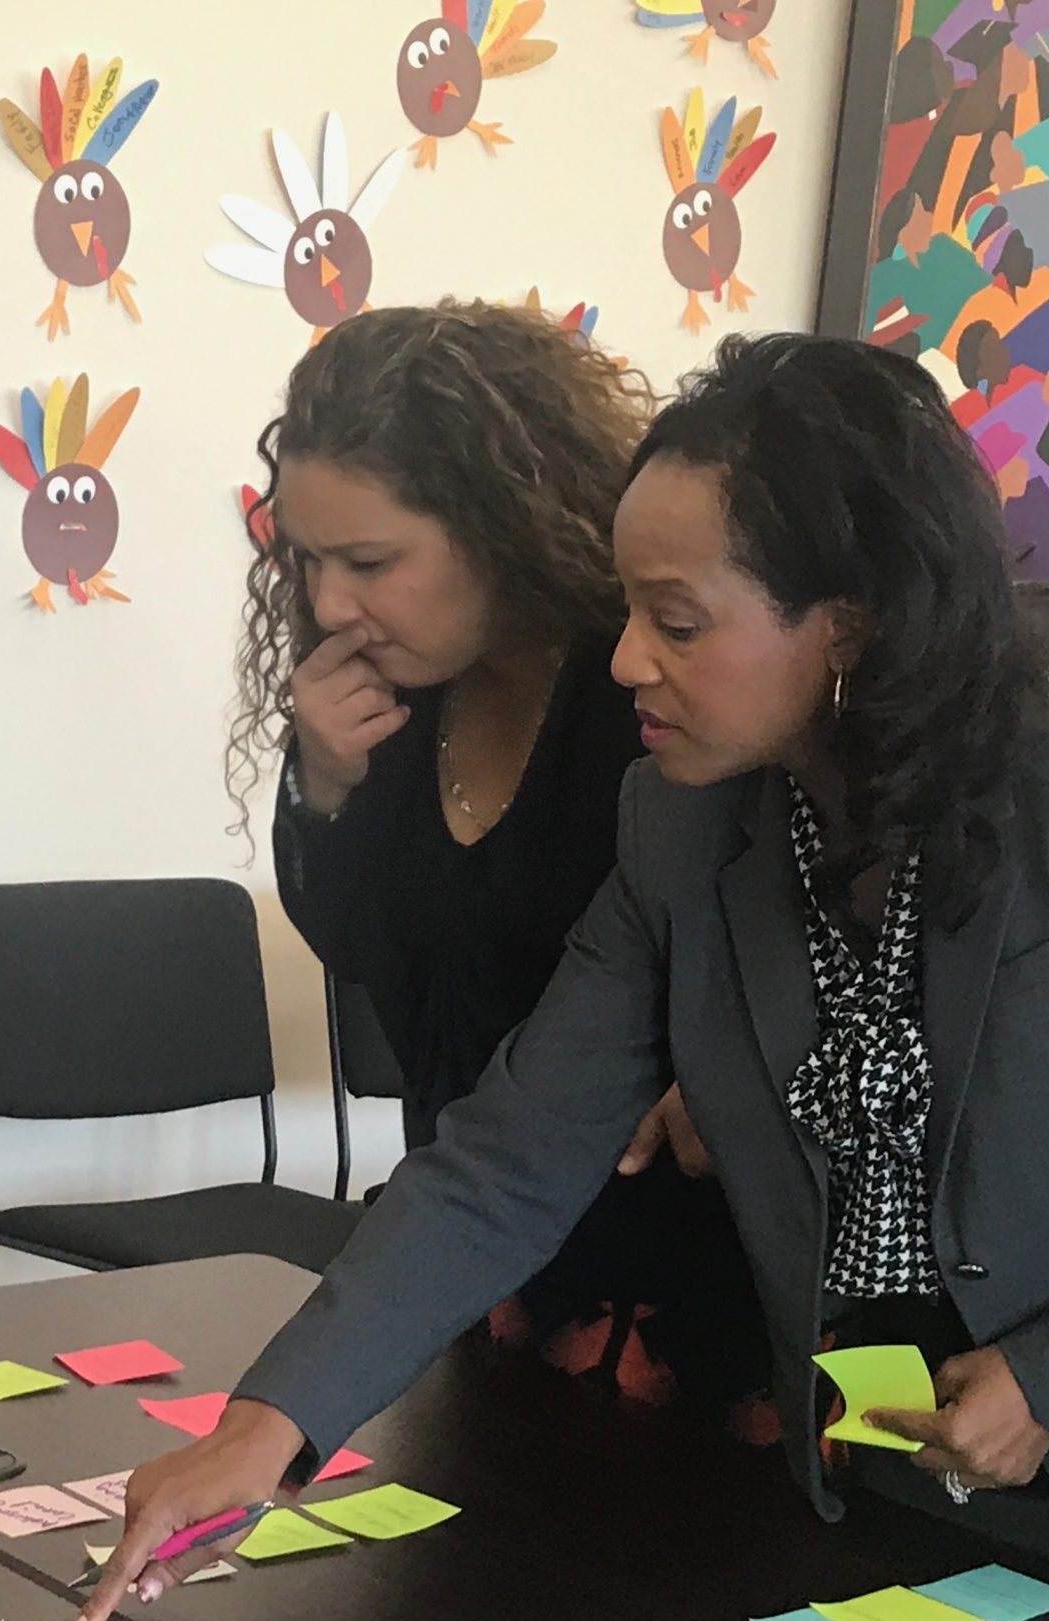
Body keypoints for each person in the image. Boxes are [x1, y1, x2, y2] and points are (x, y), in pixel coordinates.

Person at [82, 332, 1049, 1621]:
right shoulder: (680, 830)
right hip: (894, 1451)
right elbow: (506, 1160)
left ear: (852, 625)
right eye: (626, 612)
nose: (623, 662)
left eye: (675, 622)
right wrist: (269, 1427)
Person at [238, 301, 766, 1410]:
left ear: (500, 523)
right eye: (307, 559)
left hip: (686, 1277)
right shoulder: (390, 693)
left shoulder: (650, 691)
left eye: (369, 561)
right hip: (480, 1251)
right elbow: (366, 952)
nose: (328, 603)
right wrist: (323, 785)